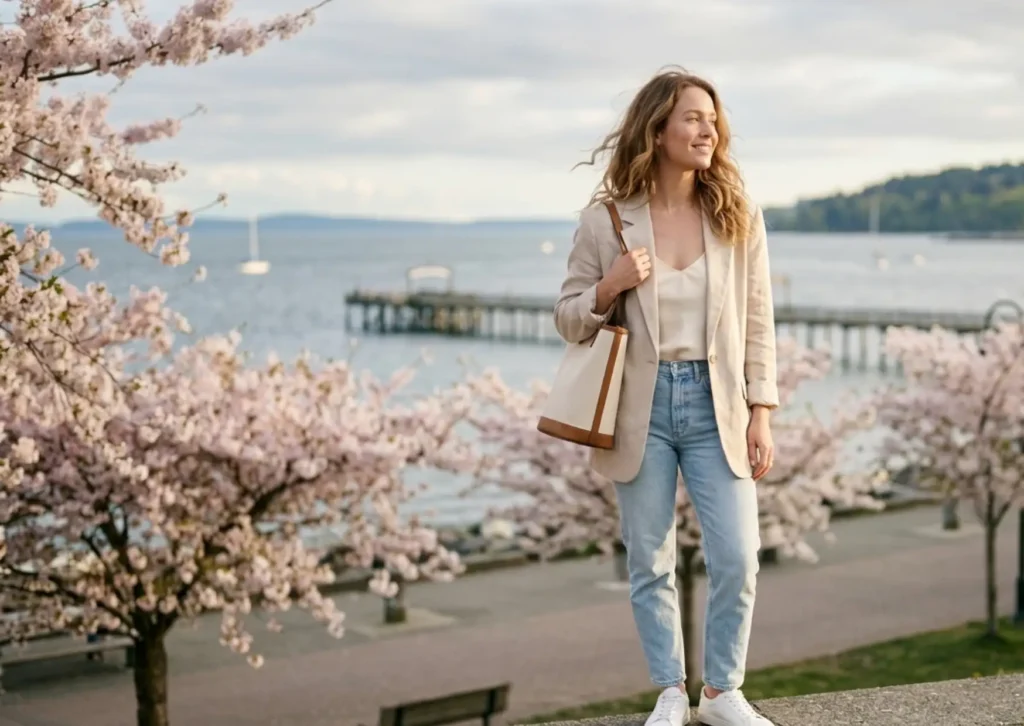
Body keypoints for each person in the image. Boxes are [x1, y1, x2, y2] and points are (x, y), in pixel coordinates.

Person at [552, 67, 779, 726]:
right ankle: (671, 692)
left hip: (718, 405)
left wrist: (761, 411)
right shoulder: (606, 222)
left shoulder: (736, 215)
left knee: (738, 555)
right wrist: (609, 285)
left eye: (712, 119)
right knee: (650, 559)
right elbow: (568, 318)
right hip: (638, 410)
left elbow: (759, 320)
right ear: (658, 128)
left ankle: (722, 692)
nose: (707, 129)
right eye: (692, 117)